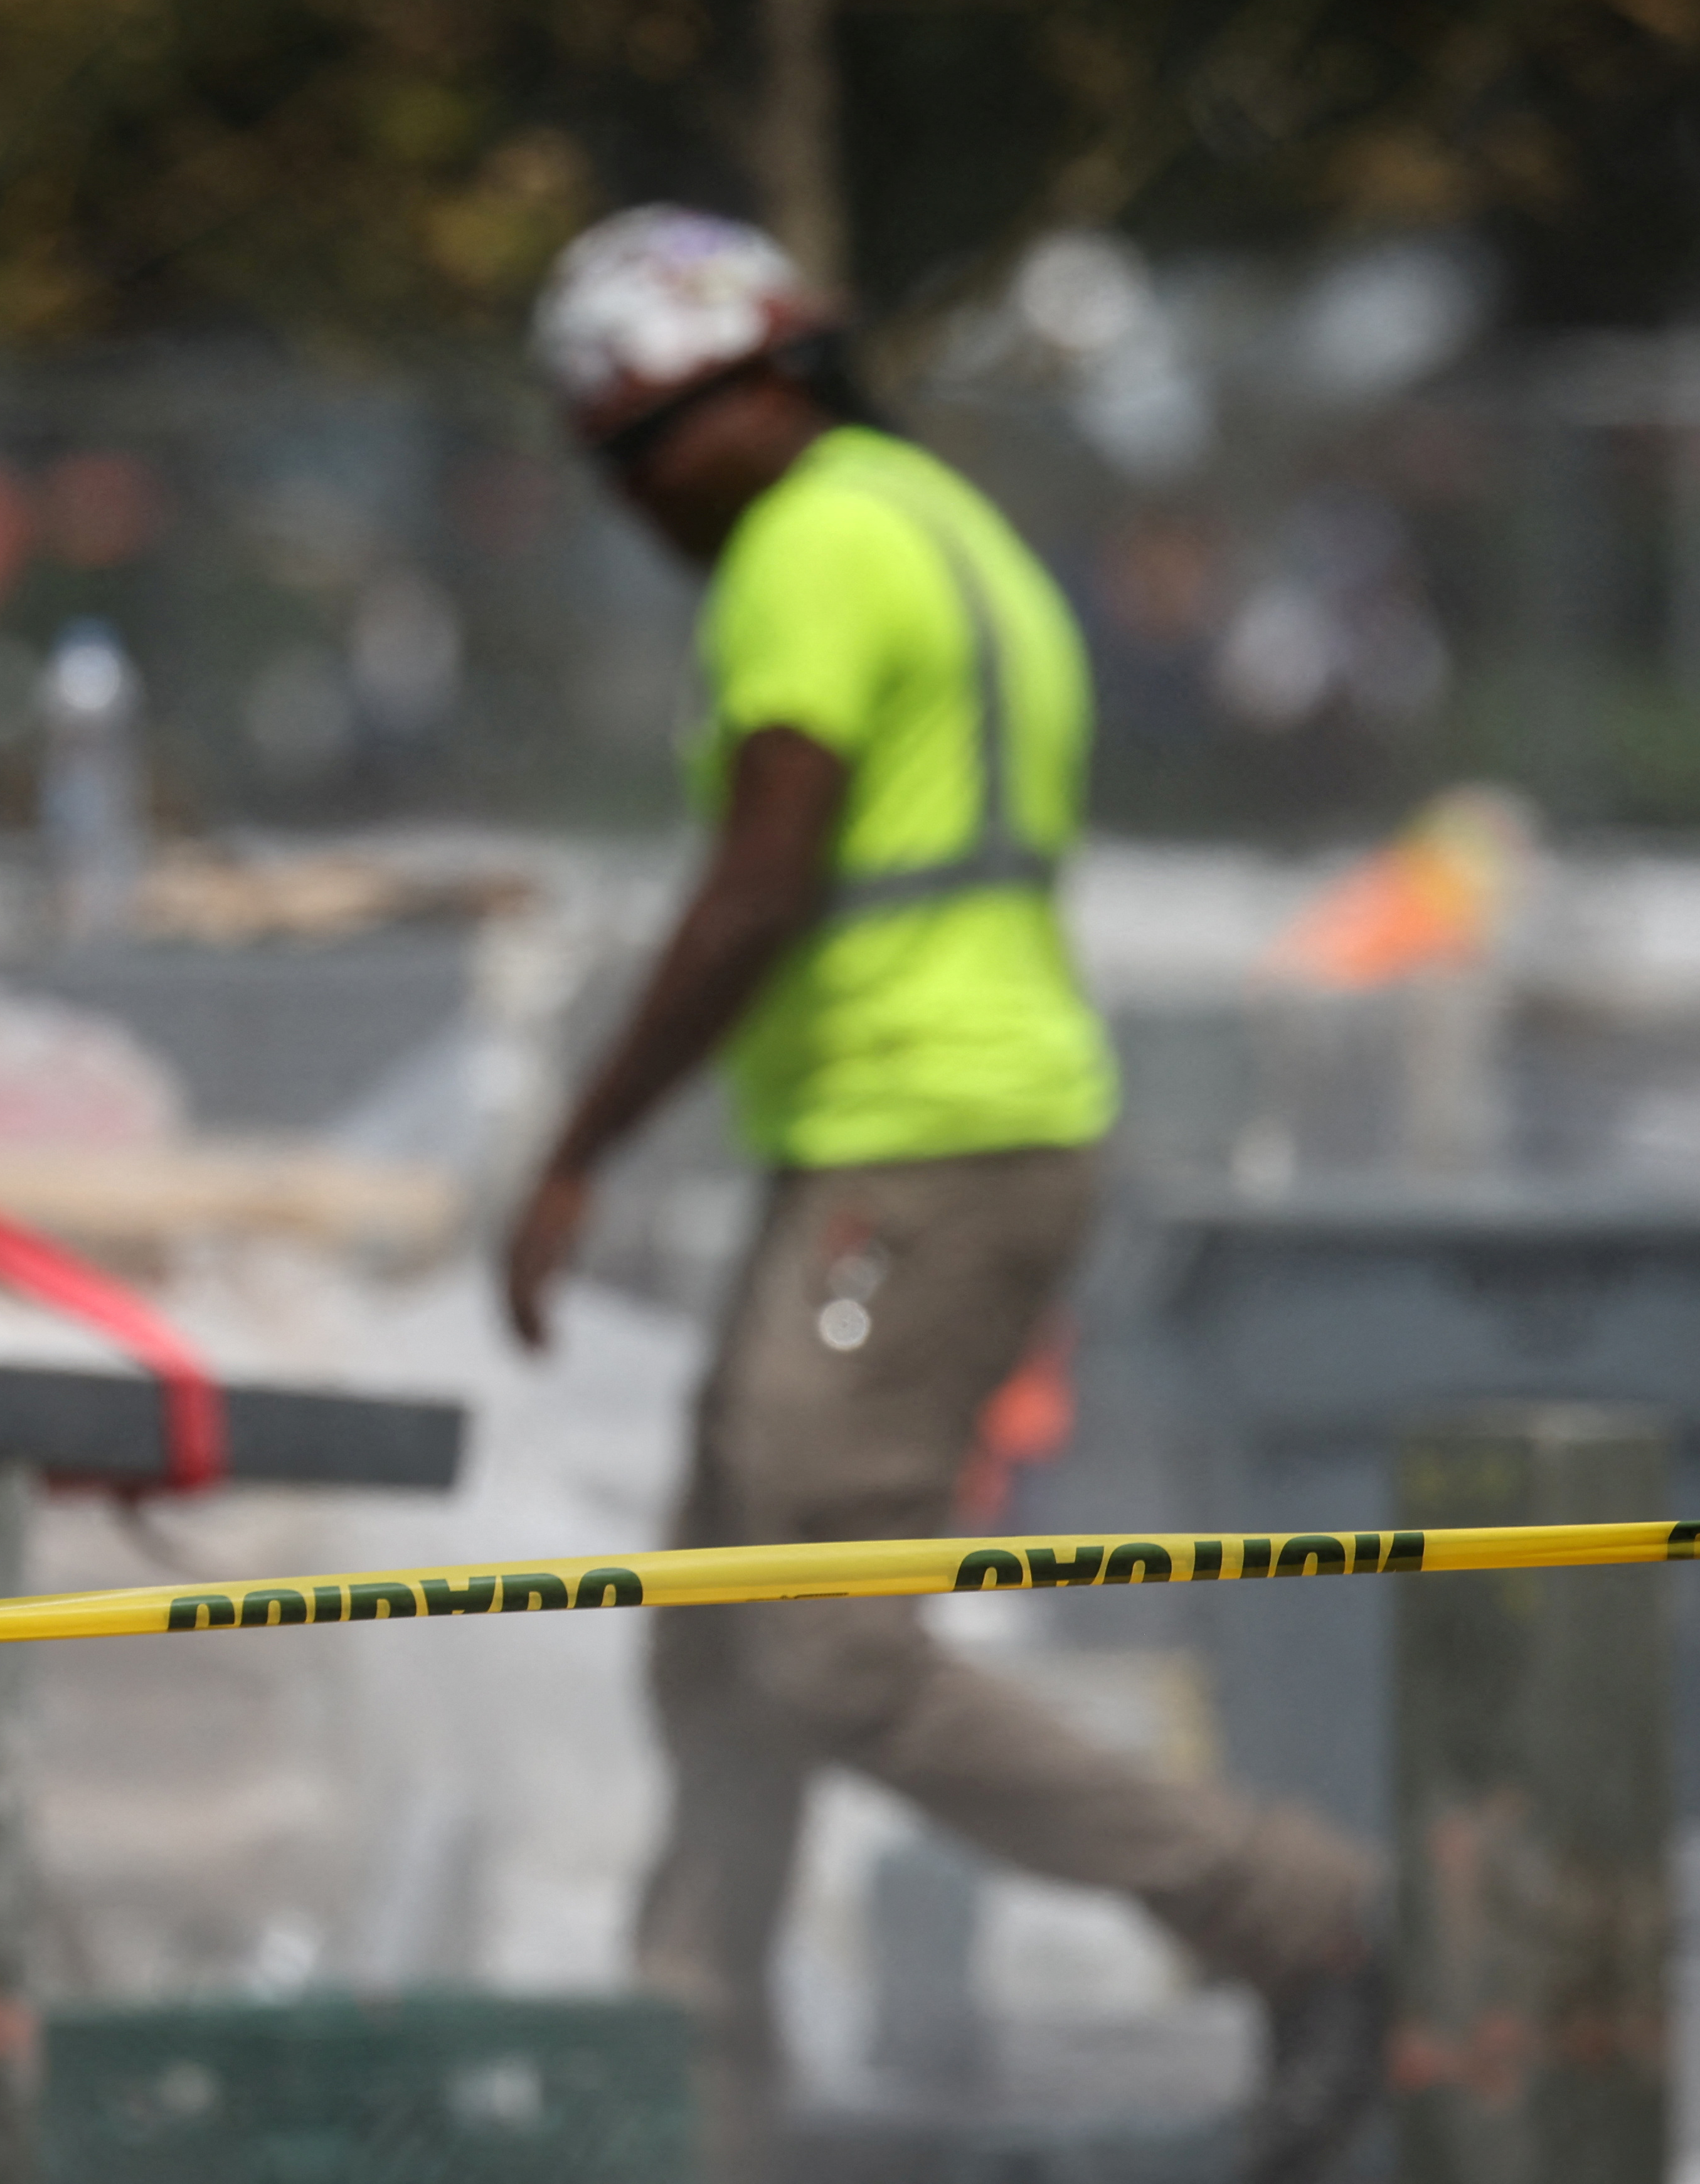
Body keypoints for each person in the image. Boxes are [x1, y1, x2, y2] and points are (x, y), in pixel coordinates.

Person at [498, 208, 1384, 2184]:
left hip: (923, 1155)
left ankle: (1279, 1905)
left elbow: (760, 883)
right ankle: (694, 2086)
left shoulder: (809, 549)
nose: (631, 494)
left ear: (765, 384)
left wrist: (577, 1145)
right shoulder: (937, 517)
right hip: (905, 1149)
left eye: (643, 441)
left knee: (819, 1648)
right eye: (605, 459)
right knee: (712, 1641)